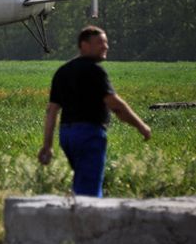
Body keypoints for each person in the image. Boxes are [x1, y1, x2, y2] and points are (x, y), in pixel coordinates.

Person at [38, 26, 151, 197]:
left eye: (106, 42)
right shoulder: (94, 70)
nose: (105, 47)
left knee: (81, 180)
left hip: (67, 135)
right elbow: (116, 105)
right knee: (89, 192)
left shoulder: (63, 72)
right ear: (84, 45)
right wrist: (141, 126)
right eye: (99, 43)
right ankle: (86, 219)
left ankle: (74, 212)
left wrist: (47, 145)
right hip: (88, 134)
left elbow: (52, 111)